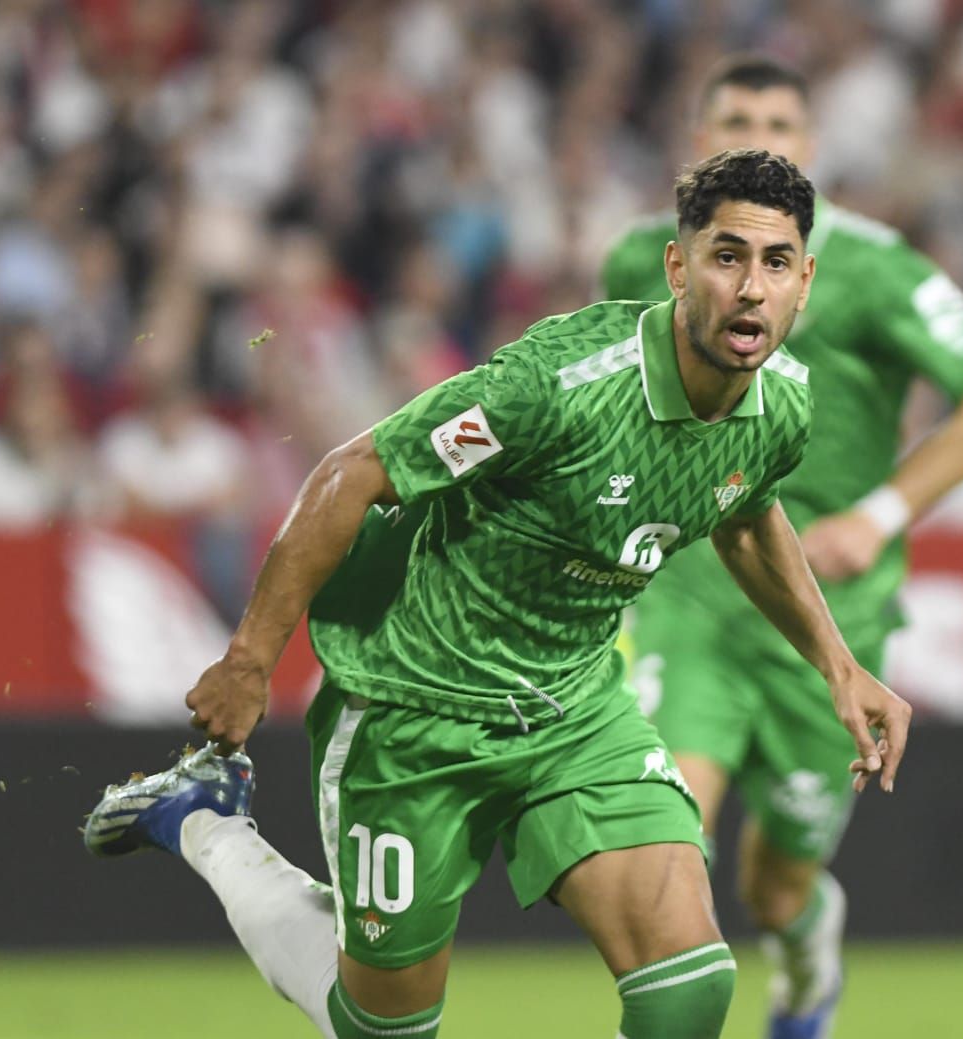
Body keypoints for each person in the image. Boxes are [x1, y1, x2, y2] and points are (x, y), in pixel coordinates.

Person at [83, 148, 912, 1039]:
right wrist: (250, 660)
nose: (752, 287)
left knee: (690, 985)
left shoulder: (782, 405)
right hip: (417, 706)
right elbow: (354, 472)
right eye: (727, 256)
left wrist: (839, 665)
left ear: (804, 282)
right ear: (679, 267)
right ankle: (207, 823)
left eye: (776, 263)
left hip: (575, 711)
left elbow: (744, 512)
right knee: (379, 1028)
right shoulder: (557, 387)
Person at [601, 55, 963, 1038]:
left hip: (827, 612)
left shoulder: (879, 269)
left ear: (812, 149)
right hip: (690, 592)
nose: (758, 134)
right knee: (664, 842)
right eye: (735, 116)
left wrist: (877, 513)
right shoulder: (635, 261)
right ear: (695, 142)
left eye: (779, 120)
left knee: (776, 885)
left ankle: (804, 938)